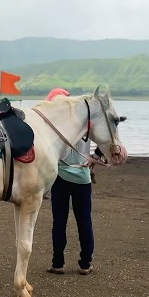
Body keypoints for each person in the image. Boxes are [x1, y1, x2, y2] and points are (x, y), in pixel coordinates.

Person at [42, 88, 95, 276]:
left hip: (60, 178)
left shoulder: (55, 126)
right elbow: (107, 140)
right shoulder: (86, 123)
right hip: (83, 178)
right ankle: (85, 264)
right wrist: (95, 157)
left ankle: (58, 263)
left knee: (59, 222)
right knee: (84, 221)